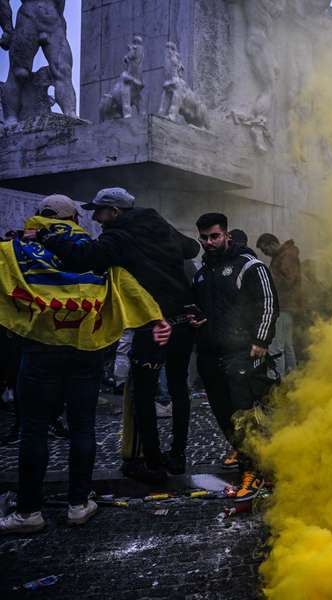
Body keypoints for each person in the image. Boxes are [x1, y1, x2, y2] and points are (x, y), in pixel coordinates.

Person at [35, 187, 198, 484]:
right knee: (178, 389)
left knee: (144, 394)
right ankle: (178, 456)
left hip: (154, 324)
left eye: (99, 211)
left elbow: (85, 257)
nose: (95, 217)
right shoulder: (156, 222)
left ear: (116, 212)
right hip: (182, 322)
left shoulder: (118, 236)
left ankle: (152, 461)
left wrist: (46, 237)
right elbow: (191, 249)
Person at [0, 196, 106, 533]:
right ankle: (78, 504)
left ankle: (28, 511)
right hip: (86, 351)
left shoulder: (18, 250)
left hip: (39, 349)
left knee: (34, 429)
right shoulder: (95, 251)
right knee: (82, 427)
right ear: (75, 217)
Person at [193, 213, 279, 502]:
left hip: (242, 353)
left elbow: (268, 302)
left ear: (226, 235)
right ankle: (252, 463)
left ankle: (255, 470)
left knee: (246, 416)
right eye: (204, 237)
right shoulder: (202, 273)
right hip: (210, 355)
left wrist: (260, 341)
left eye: (214, 236)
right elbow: (201, 308)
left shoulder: (249, 266)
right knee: (224, 416)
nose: (209, 242)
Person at [257, 233, 300, 376]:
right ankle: (291, 379)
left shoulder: (286, 256)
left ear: (272, 244)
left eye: (265, 250)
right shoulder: (285, 255)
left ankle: (277, 382)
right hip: (287, 307)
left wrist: (269, 279)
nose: (266, 253)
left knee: (276, 347)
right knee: (287, 346)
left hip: (282, 307)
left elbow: (289, 280)